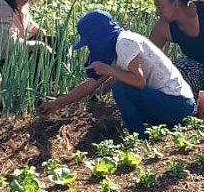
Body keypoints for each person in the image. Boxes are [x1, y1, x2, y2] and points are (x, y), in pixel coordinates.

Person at [38, 10, 195, 137]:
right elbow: (89, 86)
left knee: (120, 88)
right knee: (119, 86)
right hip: (170, 104)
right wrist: (57, 103)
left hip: (178, 105)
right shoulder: (114, 50)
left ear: (98, 37)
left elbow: (139, 81)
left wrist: (110, 71)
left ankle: (139, 137)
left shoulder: (124, 43)